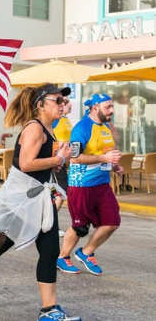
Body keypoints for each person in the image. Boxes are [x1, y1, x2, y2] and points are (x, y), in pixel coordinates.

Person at [0, 84, 80, 321]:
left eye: (62, 101)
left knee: (49, 251)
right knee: (1, 242)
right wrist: (59, 158)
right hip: (21, 197)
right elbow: (26, 164)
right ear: (40, 104)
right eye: (57, 100)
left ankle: (49, 310)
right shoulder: (35, 128)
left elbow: (36, 161)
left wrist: (54, 163)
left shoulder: (48, 127)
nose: (62, 105)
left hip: (39, 197)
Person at [56, 93, 123, 276]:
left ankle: (85, 252)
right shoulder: (82, 128)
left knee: (112, 221)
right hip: (82, 185)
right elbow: (75, 158)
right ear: (95, 108)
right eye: (108, 107)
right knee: (80, 226)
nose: (112, 110)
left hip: (102, 183)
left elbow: (105, 153)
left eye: (112, 106)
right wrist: (104, 158)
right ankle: (62, 257)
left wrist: (113, 165)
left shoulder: (105, 127)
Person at [52, 100, 73, 214]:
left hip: (63, 160)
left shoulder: (66, 120)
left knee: (62, 191)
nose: (70, 105)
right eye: (66, 103)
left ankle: (50, 222)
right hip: (56, 159)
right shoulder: (55, 120)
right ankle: (50, 221)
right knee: (62, 190)